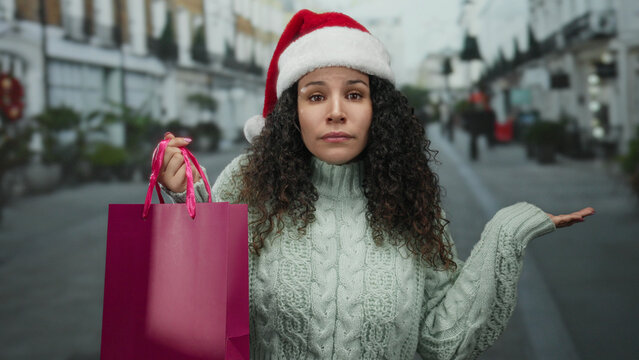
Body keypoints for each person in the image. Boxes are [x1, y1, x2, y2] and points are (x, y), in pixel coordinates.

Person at [156, 10, 594, 360]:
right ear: (292, 113)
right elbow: (197, 303)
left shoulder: (407, 198)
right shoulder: (250, 184)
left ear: (376, 110)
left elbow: (442, 341)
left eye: (354, 93)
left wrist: (506, 232)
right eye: (314, 95)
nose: (335, 112)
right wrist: (180, 199)